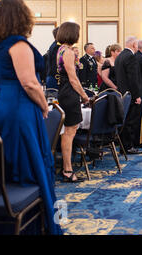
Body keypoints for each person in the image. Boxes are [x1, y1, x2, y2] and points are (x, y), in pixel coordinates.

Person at [0, 0, 61, 234]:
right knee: (27, 157)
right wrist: (43, 105)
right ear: (21, 18)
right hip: (18, 106)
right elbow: (29, 82)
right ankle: (28, 222)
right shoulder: (18, 43)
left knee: (2, 157)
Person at [56, 22, 89, 183]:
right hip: (69, 94)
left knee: (68, 132)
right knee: (69, 133)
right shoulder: (68, 52)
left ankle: (67, 168)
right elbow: (73, 78)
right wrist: (84, 96)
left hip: (65, 92)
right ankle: (67, 170)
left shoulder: (60, 49)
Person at [114, 36, 142, 155]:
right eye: (137, 44)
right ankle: (128, 146)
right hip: (130, 94)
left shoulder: (120, 56)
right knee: (130, 121)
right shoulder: (131, 56)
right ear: (134, 45)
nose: (137, 47)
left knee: (125, 120)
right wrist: (137, 95)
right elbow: (133, 78)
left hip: (122, 93)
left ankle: (124, 146)